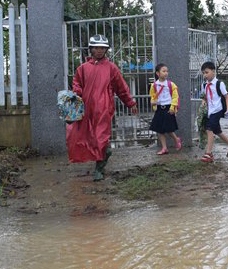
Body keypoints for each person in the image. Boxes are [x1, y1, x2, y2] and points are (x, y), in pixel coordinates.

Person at [67, 34, 138, 181]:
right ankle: (101, 156)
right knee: (84, 137)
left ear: (106, 50)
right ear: (91, 49)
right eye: (96, 48)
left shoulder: (111, 68)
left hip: (104, 109)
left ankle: (99, 168)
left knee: (101, 138)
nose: (99, 50)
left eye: (102, 48)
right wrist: (76, 95)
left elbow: (121, 88)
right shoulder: (82, 69)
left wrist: (130, 103)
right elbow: (77, 85)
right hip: (85, 109)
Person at [200, 61, 228, 162]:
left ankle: (208, 153)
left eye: (207, 72)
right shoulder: (204, 85)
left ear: (213, 71)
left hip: (217, 110)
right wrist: (203, 103)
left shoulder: (219, 83)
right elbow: (204, 97)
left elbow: (226, 97)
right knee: (217, 131)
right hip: (209, 111)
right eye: (203, 73)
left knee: (209, 129)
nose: (205, 75)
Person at [149, 63, 182, 155]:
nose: (166, 73)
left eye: (167, 71)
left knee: (169, 128)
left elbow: (175, 97)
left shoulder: (171, 84)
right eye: (163, 71)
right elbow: (153, 96)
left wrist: (172, 108)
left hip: (168, 108)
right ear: (158, 73)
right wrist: (153, 102)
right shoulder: (154, 85)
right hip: (159, 109)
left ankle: (176, 139)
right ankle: (164, 148)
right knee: (159, 129)